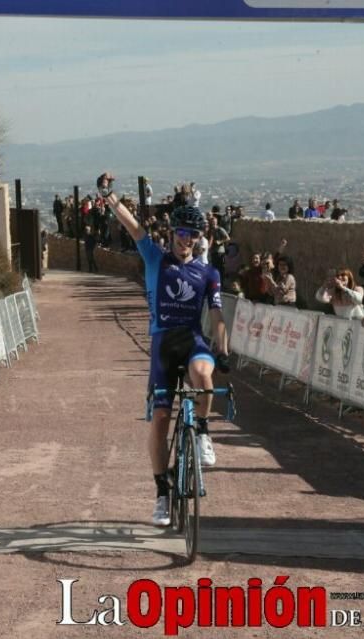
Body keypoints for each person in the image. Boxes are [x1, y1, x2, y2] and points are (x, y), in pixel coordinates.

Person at [101, 173, 229, 528]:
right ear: (172, 233)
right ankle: (161, 492)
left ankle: (202, 431)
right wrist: (108, 196)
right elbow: (133, 228)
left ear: (200, 239)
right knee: (160, 418)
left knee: (204, 375)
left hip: (191, 340)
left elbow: (217, 313)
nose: (186, 240)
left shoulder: (208, 273)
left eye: (192, 235)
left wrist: (224, 347)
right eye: (181, 233)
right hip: (162, 344)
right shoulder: (156, 258)